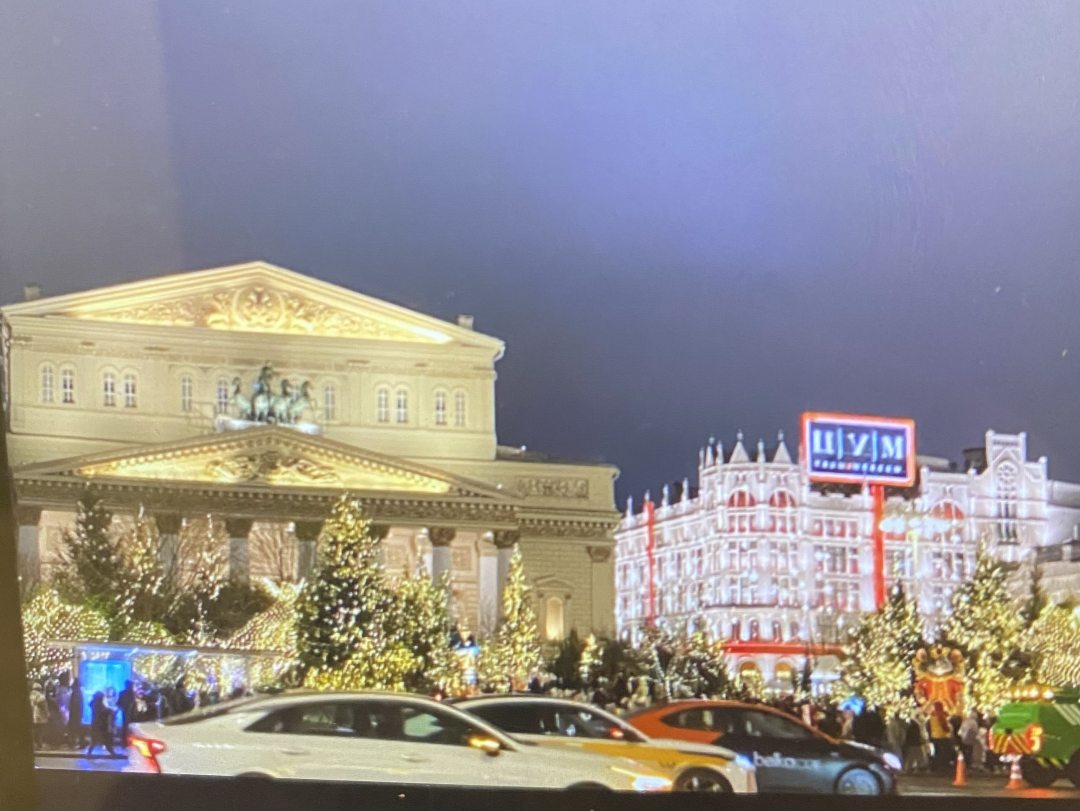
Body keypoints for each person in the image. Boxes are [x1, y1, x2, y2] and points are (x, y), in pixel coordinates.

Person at [86, 692, 116, 756]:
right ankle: (111, 752)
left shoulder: (94, 703)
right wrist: (111, 711)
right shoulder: (97, 704)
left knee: (97, 740)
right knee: (103, 739)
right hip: (100, 724)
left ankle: (89, 752)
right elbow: (103, 711)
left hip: (97, 724)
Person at [928, 702, 954, 774]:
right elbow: (944, 727)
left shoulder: (932, 715)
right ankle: (942, 767)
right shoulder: (940, 715)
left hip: (934, 736)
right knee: (943, 753)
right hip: (941, 736)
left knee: (937, 752)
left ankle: (935, 767)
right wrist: (949, 729)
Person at [29, 683, 48, 750]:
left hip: (32, 716)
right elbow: (45, 707)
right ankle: (40, 745)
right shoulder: (41, 697)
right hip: (40, 716)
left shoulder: (30, 696)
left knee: (34, 731)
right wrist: (47, 714)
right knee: (40, 731)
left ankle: (34, 744)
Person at [67, 677, 84, 749]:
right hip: (77, 714)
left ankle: (74, 743)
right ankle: (76, 743)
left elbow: (75, 704)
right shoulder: (78, 691)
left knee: (74, 729)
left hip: (75, 714)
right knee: (76, 728)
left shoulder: (75, 692)